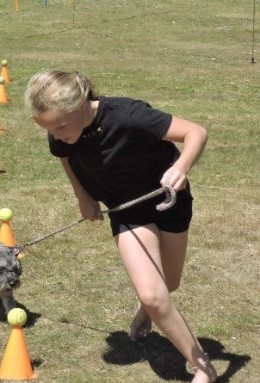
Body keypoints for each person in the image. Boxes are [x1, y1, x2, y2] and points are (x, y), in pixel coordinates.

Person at [24, 70, 218, 383]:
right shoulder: (62, 132)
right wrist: (82, 196)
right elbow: (64, 156)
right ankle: (203, 367)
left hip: (169, 203)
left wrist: (181, 167)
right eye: (49, 130)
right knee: (155, 295)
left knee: (168, 285)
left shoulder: (129, 116)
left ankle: (148, 311)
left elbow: (196, 132)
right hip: (126, 212)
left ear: (82, 106)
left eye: (60, 126)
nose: (56, 135)